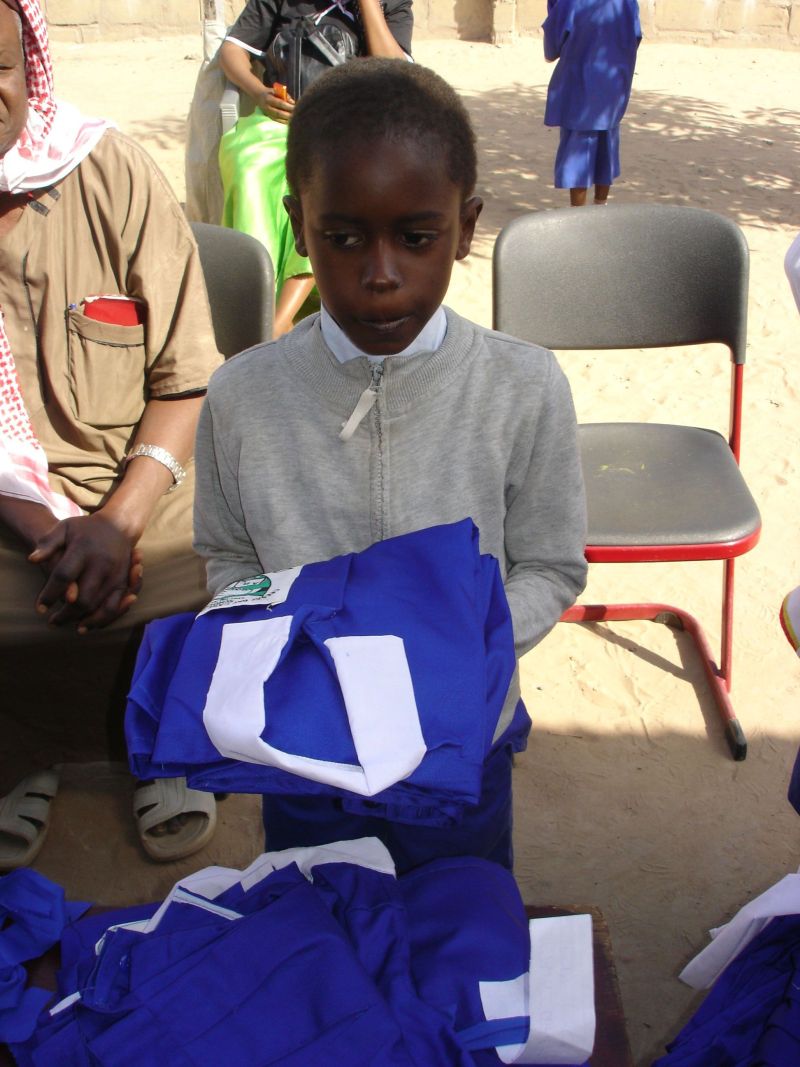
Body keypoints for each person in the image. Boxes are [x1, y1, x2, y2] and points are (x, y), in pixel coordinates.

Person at [193, 58, 588, 872]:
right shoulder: (240, 397)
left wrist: (457, 646)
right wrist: (292, 648)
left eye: (416, 238)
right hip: (307, 744)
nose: (380, 275)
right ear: (299, 225)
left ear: (466, 228)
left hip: (459, 730)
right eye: (342, 238)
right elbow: (228, 556)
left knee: (456, 910)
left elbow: (550, 564)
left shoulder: (523, 386)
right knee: (319, 913)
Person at [0, 0, 223, 867]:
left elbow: (187, 377)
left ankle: (166, 745)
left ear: (29, 68)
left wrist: (117, 523)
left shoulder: (111, 172)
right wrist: (50, 533)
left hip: (144, 485)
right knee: (39, 589)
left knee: (231, 550)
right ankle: (21, 752)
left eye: (0, 69)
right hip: (10, 513)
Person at [217, 0, 413, 337]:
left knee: (324, 183)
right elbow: (232, 50)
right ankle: (257, 295)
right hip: (279, 122)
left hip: (350, 127)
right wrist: (259, 93)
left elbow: (397, 73)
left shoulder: (392, 4)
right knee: (249, 166)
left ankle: (279, 320)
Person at [542, 0, 641, 207]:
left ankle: (578, 213)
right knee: (607, 145)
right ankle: (600, 206)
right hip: (613, 86)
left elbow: (551, 50)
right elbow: (635, 37)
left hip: (579, 89)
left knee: (579, 151)